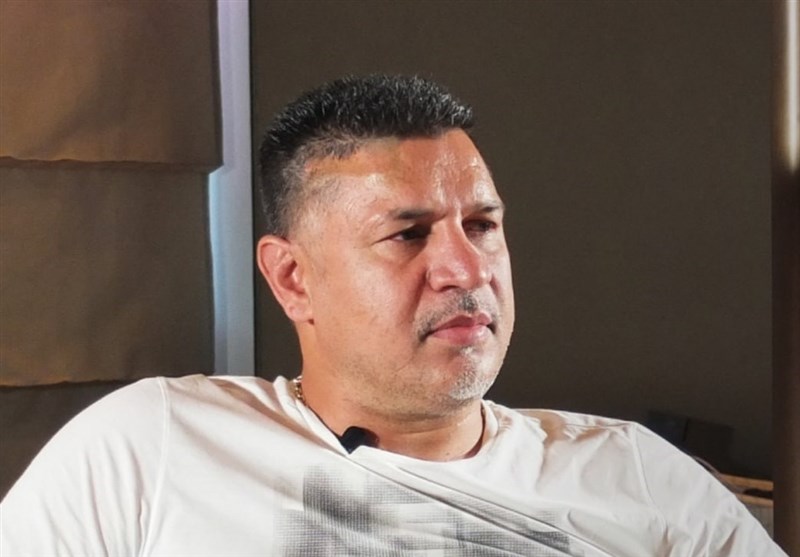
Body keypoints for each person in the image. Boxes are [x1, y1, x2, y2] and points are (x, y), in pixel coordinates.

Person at [0, 75, 784, 556]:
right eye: (408, 235)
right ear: (293, 278)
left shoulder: (635, 477)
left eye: (482, 225)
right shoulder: (152, 448)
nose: (468, 269)